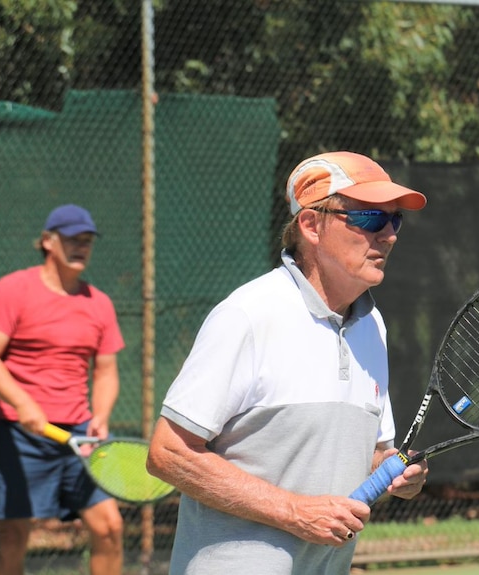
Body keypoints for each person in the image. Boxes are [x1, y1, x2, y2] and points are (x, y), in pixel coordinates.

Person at [146, 151, 430, 574]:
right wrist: (294, 512)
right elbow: (169, 453)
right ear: (312, 225)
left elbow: (370, 455)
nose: (388, 234)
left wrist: (397, 475)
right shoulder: (248, 314)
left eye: (395, 220)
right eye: (370, 218)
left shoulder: (373, 325)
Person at [0, 204, 125, 575]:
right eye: (72, 239)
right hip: (15, 429)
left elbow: (105, 372)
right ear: (47, 242)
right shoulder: (12, 290)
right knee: (13, 536)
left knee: (109, 528)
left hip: (77, 434)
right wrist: (24, 403)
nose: (81, 247)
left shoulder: (99, 303)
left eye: (87, 241)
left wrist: (100, 417)